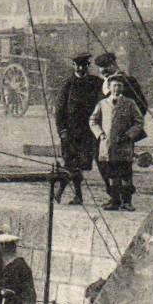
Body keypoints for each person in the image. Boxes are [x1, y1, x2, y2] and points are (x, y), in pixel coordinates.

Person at [90, 74, 146, 211]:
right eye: (114, 85)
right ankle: (114, 200)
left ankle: (127, 202)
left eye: (120, 86)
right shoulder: (102, 104)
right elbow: (93, 120)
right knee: (112, 174)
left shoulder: (130, 103)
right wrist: (100, 134)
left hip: (124, 145)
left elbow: (139, 121)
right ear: (109, 87)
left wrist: (129, 135)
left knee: (126, 173)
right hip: (108, 144)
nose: (117, 89)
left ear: (124, 88)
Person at [54, 53, 103, 205]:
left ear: (88, 66)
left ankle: (68, 194)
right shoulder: (67, 85)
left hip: (88, 132)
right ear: (73, 66)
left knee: (78, 165)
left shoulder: (96, 83)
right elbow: (59, 110)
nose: (81, 68)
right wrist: (62, 130)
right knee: (70, 163)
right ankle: (68, 194)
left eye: (84, 65)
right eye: (78, 65)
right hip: (70, 132)